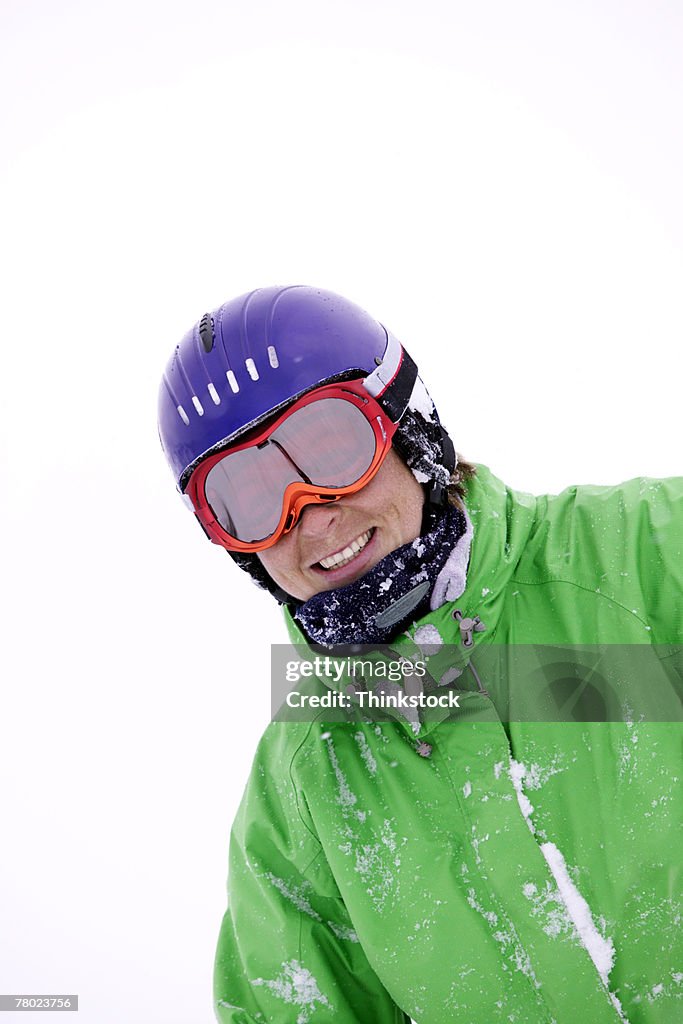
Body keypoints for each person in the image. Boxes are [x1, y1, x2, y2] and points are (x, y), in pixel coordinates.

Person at [158, 286, 682, 1024]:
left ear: (410, 431)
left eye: (330, 448)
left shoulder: (642, 563)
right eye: (249, 494)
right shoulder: (305, 801)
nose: (308, 509)